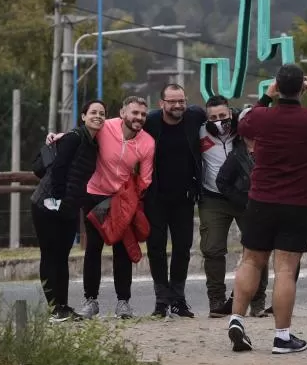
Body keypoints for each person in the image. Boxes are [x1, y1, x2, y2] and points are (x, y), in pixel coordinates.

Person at [227, 64, 307, 354]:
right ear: (302, 89)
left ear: (277, 87)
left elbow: (243, 124)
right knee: (285, 268)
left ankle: (236, 318)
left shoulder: (262, 118)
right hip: (298, 204)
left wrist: (266, 98)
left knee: (250, 261)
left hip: (261, 201)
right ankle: (282, 337)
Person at [76, 95, 155, 320]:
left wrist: (130, 197)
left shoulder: (147, 142)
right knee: (94, 248)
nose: (139, 118)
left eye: (142, 114)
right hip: (94, 195)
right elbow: (81, 135)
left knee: (123, 249)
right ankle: (90, 300)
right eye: (134, 113)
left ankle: (123, 302)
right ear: (122, 113)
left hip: (120, 200)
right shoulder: (106, 127)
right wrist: (56, 137)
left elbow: (146, 179)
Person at [32, 99, 105, 323]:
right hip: (46, 204)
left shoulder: (94, 144)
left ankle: (62, 306)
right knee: (50, 254)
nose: (98, 116)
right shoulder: (74, 137)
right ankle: (54, 307)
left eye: (102, 113)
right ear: (83, 116)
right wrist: (57, 198)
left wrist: (69, 204)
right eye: (93, 112)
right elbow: (59, 167)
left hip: (70, 207)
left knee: (62, 256)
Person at [200, 97, 269, 318]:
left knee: (257, 249)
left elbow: (259, 115)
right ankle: (217, 301)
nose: (219, 121)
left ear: (231, 113)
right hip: (213, 198)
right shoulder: (198, 132)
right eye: (213, 118)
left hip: (245, 197)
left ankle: (257, 303)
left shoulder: (243, 126)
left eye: (223, 116)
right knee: (212, 249)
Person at [143, 83, 205, 318]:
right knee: (156, 248)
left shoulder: (194, 116)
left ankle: (178, 299)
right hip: (155, 198)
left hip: (184, 199)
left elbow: (224, 114)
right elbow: (119, 128)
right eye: (172, 101)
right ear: (162, 104)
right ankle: (161, 300)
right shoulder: (151, 121)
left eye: (181, 101)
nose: (178, 105)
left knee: (183, 248)